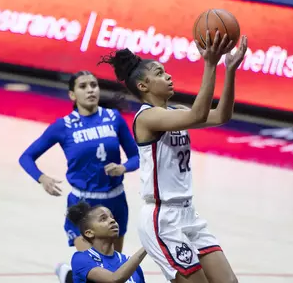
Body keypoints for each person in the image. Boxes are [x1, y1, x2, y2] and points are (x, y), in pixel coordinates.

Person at [98, 31, 248, 283]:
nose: (167, 75)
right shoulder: (147, 117)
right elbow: (198, 115)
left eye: (165, 71)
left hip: (188, 213)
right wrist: (209, 65)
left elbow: (221, 116)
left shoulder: (176, 111)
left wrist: (229, 71)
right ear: (143, 86)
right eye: (158, 73)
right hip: (162, 217)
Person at [18, 71, 140, 281]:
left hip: (115, 202)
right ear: (72, 95)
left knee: (112, 271)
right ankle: (70, 275)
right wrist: (42, 178)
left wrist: (123, 168)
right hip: (83, 205)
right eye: (83, 86)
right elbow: (26, 157)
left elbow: (137, 157)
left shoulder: (114, 119)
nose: (91, 89)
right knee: (91, 268)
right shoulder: (63, 126)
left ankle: (67, 276)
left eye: (94, 85)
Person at [56, 200, 146, 283]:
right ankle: (66, 274)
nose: (112, 220)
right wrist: (147, 245)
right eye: (103, 219)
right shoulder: (80, 259)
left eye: (112, 217)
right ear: (89, 233)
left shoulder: (130, 264)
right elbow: (114, 279)